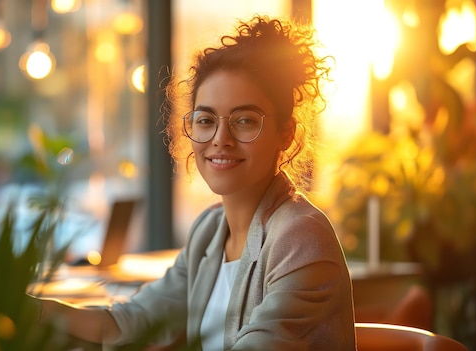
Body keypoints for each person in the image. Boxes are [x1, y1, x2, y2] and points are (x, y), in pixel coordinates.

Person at [37, 15, 356, 350]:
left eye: (244, 121)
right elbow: (130, 324)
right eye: (205, 120)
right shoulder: (209, 230)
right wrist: (27, 309)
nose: (221, 139)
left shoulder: (300, 238)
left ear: (285, 134)